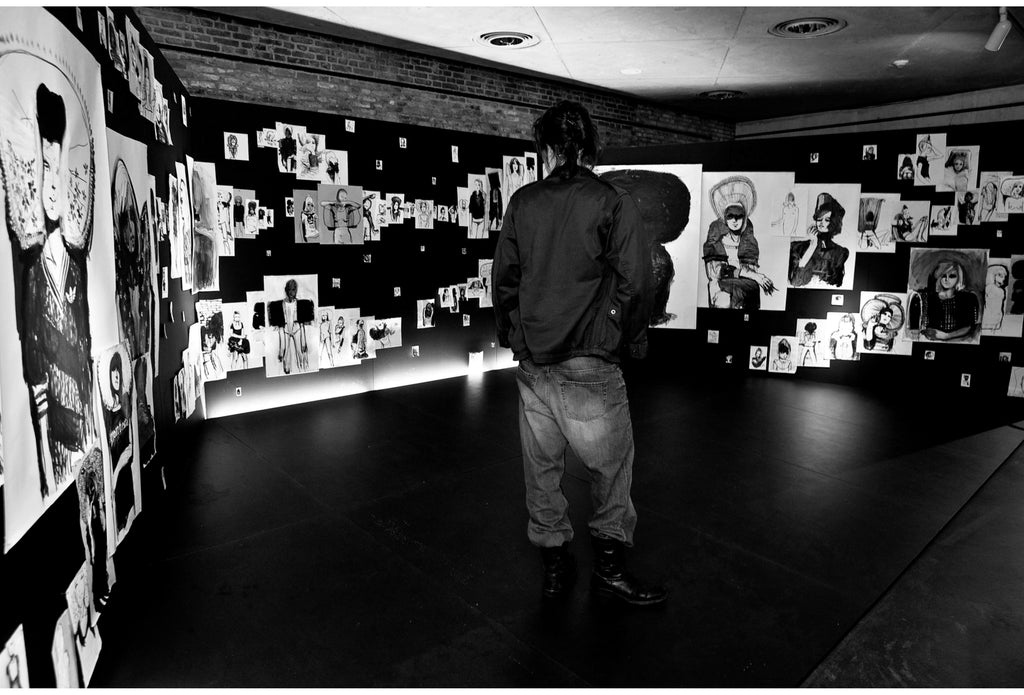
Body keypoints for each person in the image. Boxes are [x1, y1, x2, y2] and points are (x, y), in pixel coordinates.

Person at [492, 100, 664, 606]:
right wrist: (626, 336)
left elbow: (504, 281)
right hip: (590, 361)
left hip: (534, 363)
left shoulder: (523, 202)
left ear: (545, 147)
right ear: (591, 146)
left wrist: (516, 337)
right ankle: (609, 570)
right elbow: (638, 283)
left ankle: (554, 566)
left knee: (540, 469)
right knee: (610, 469)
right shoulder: (613, 202)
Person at [702, 176, 775, 310]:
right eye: (730, 216)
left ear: (744, 218)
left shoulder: (748, 243)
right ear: (725, 218)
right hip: (720, 289)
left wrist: (753, 276)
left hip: (742, 289)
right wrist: (754, 275)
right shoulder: (717, 241)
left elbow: (751, 279)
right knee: (723, 301)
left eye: (739, 216)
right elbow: (718, 273)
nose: (735, 220)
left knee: (751, 292)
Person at [909, 258, 980, 341]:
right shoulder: (925, 298)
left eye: (952, 276)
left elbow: (969, 326)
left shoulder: (968, 298)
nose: (947, 279)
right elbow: (915, 330)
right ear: (938, 276)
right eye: (943, 276)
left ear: (959, 277)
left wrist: (946, 335)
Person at [789, 192, 850, 287]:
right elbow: (795, 282)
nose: (821, 223)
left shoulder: (840, 252)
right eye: (819, 219)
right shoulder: (798, 247)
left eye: (827, 220)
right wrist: (812, 246)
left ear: (833, 223)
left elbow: (836, 284)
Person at [982, 264, 1009, 331]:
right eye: (1000, 275)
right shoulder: (989, 288)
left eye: (1004, 276)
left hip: (998, 317)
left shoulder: (1002, 291)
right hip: (988, 317)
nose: (1003, 278)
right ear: (993, 275)